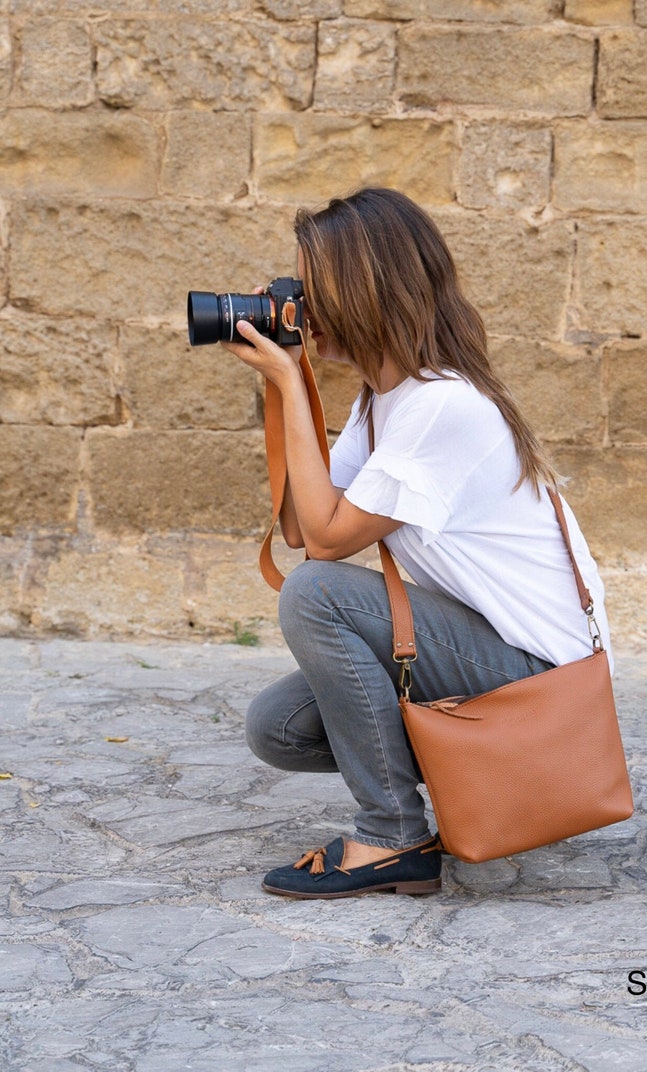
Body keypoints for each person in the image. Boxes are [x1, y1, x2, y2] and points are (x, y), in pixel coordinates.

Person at [223, 187, 612, 900]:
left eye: (314, 290)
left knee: (317, 596)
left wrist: (288, 374)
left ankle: (394, 835)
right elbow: (302, 528)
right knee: (276, 726)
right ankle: (449, 796)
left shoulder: (441, 404)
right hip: (498, 662)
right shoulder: (383, 402)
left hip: (540, 678)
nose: (303, 307)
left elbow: (329, 551)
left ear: (364, 291)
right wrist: (281, 384)